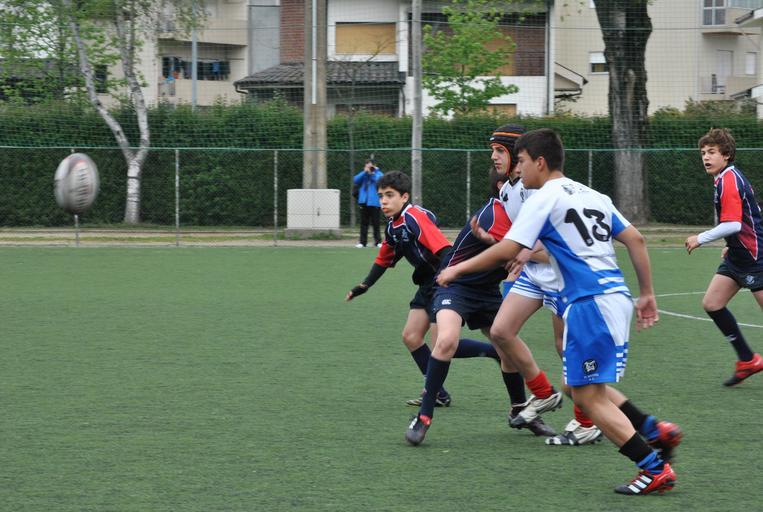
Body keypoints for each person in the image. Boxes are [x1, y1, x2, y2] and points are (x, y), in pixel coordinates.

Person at [437, 128, 681, 495]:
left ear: (539, 162)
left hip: (590, 303)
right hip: (611, 297)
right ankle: (652, 433)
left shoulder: (544, 197)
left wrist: (457, 269)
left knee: (587, 397)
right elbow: (636, 238)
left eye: (521, 160)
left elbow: (509, 249)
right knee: (579, 388)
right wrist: (646, 293)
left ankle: (654, 468)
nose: (517, 168)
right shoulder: (591, 194)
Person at [405, 136, 556, 447]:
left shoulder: (527, 209)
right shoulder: (495, 214)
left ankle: (520, 409)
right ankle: (423, 416)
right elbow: (530, 253)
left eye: (500, 151)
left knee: (506, 347)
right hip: (455, 284)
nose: (494, 157)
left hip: (487, 290)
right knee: (446, 340)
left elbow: (531, 252)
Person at [476, 125, 602, 446]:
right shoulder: (508, 189)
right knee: (501, 331)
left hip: (562, 276)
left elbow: (556, 245)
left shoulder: (540, 190)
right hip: (534, 274)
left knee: (566, 348)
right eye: (493, 151)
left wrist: (522, 253)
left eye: (500, 151)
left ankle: (587, 422)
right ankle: (544, 394)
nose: (494, 157)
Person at [346, 171, 502, 407]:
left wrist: (447, 277)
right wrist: (364, 285)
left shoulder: (414, 217)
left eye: (389, 195)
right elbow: (384, 258)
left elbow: (445, 250)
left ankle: (493, 352)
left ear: (404, 197)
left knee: (443, 343)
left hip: (444, 280)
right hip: (427, 284)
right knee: (411, 336)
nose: (384, 201)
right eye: (381, 196)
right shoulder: (393, 226)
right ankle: (438, 393)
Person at [685, 128, 763, 386]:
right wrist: (732, 244)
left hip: (755, 257)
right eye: (703, 153)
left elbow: (733, 224)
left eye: (712, 152)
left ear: (726, 154)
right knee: (712, 303)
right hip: (738, 255)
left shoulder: (729, 179)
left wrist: (701, 238)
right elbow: (748, 216)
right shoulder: (725, 178)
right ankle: (748, 360)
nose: (706, 157)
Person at [353, 159, 384, 248]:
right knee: (364, 223)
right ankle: (363, 242)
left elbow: (380, 181)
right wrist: (365, 172)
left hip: (374, 202)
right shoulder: (364, 174)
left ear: (374, 165)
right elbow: (355, 180)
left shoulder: (379, 174)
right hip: (364, 202)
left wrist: (372, 173)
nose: (369, 168)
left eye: (371, 166)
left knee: (376, 223)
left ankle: (378, 241)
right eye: (367, 166)